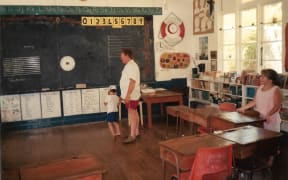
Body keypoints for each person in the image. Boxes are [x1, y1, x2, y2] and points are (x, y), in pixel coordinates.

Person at [119, 48, 141, 144]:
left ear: (127, 55)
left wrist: (127, 95)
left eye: (122, 56)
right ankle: (136, 132)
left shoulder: (132, 66)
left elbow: (132, 81)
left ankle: (132, 136)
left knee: (131, 113)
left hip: (131, 95)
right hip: (131, 95)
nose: (121, 58)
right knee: (134, 112)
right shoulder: (129, 65)